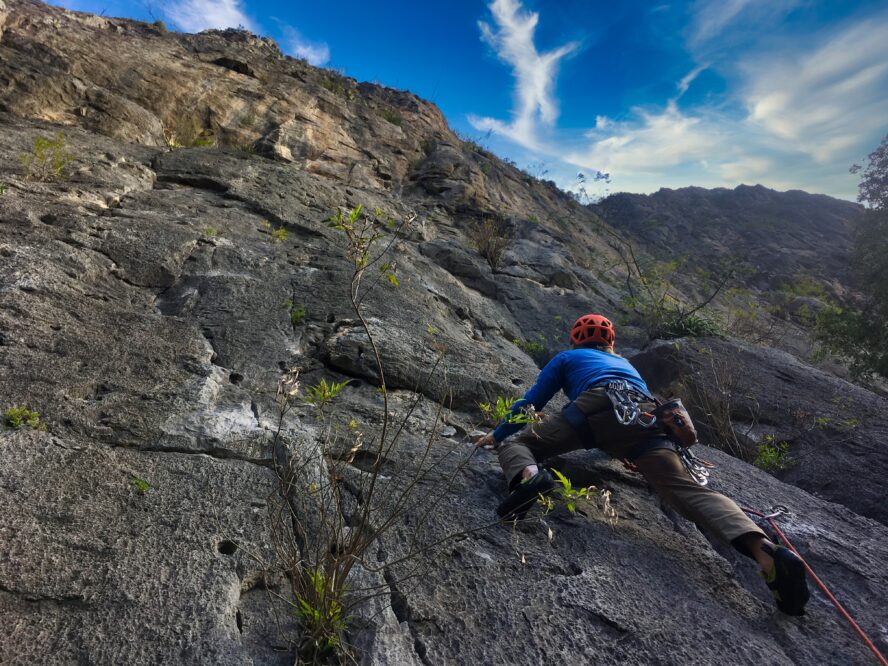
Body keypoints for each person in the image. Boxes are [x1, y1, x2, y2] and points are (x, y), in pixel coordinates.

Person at [475, 313, 810, 616]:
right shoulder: (626, 365)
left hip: (595, 406)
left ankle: (530, 477)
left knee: (521, 444)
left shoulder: (568, 357)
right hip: (647, 417)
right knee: (685, 489)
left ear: (576, 339)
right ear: (611, 342)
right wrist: (624, 449)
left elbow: (532, 401)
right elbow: (623, 424)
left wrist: (498, 433)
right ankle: (764, 550)